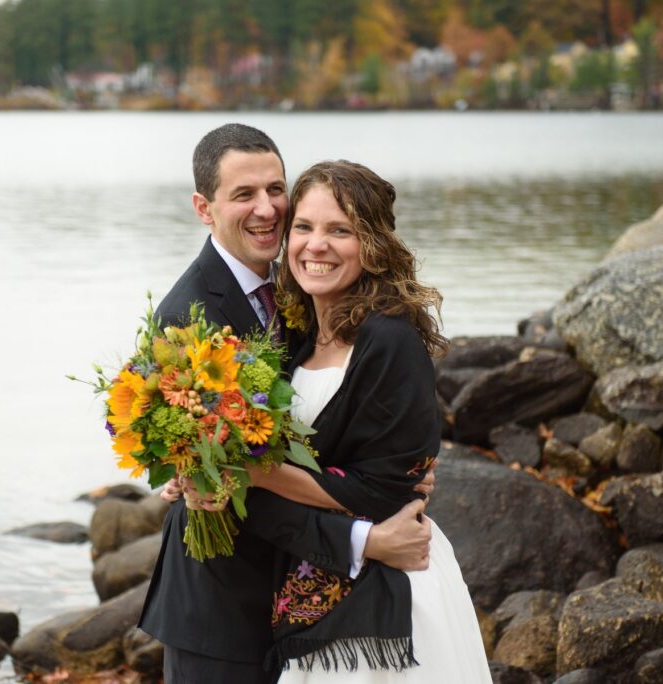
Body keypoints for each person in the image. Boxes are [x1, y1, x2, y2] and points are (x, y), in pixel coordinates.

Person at [138, 124, 436, 684]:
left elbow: (329, 420)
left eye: (276, 190)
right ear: (204, 208)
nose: (267, 209)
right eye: (244, 194)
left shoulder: (302, 286)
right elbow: (233, 488)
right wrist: (365, 539)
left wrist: (398, 466)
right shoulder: (186, 318)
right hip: (221, 601)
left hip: (302, 593)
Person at [245, 160, 493, 682]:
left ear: (372, 245)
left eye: (340, 230)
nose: (316, 245)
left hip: (390, 595)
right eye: (304, 227)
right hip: (315, 577)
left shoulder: (389, 340)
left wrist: (258, 474)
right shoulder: (293, 340)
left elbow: (386, 491)